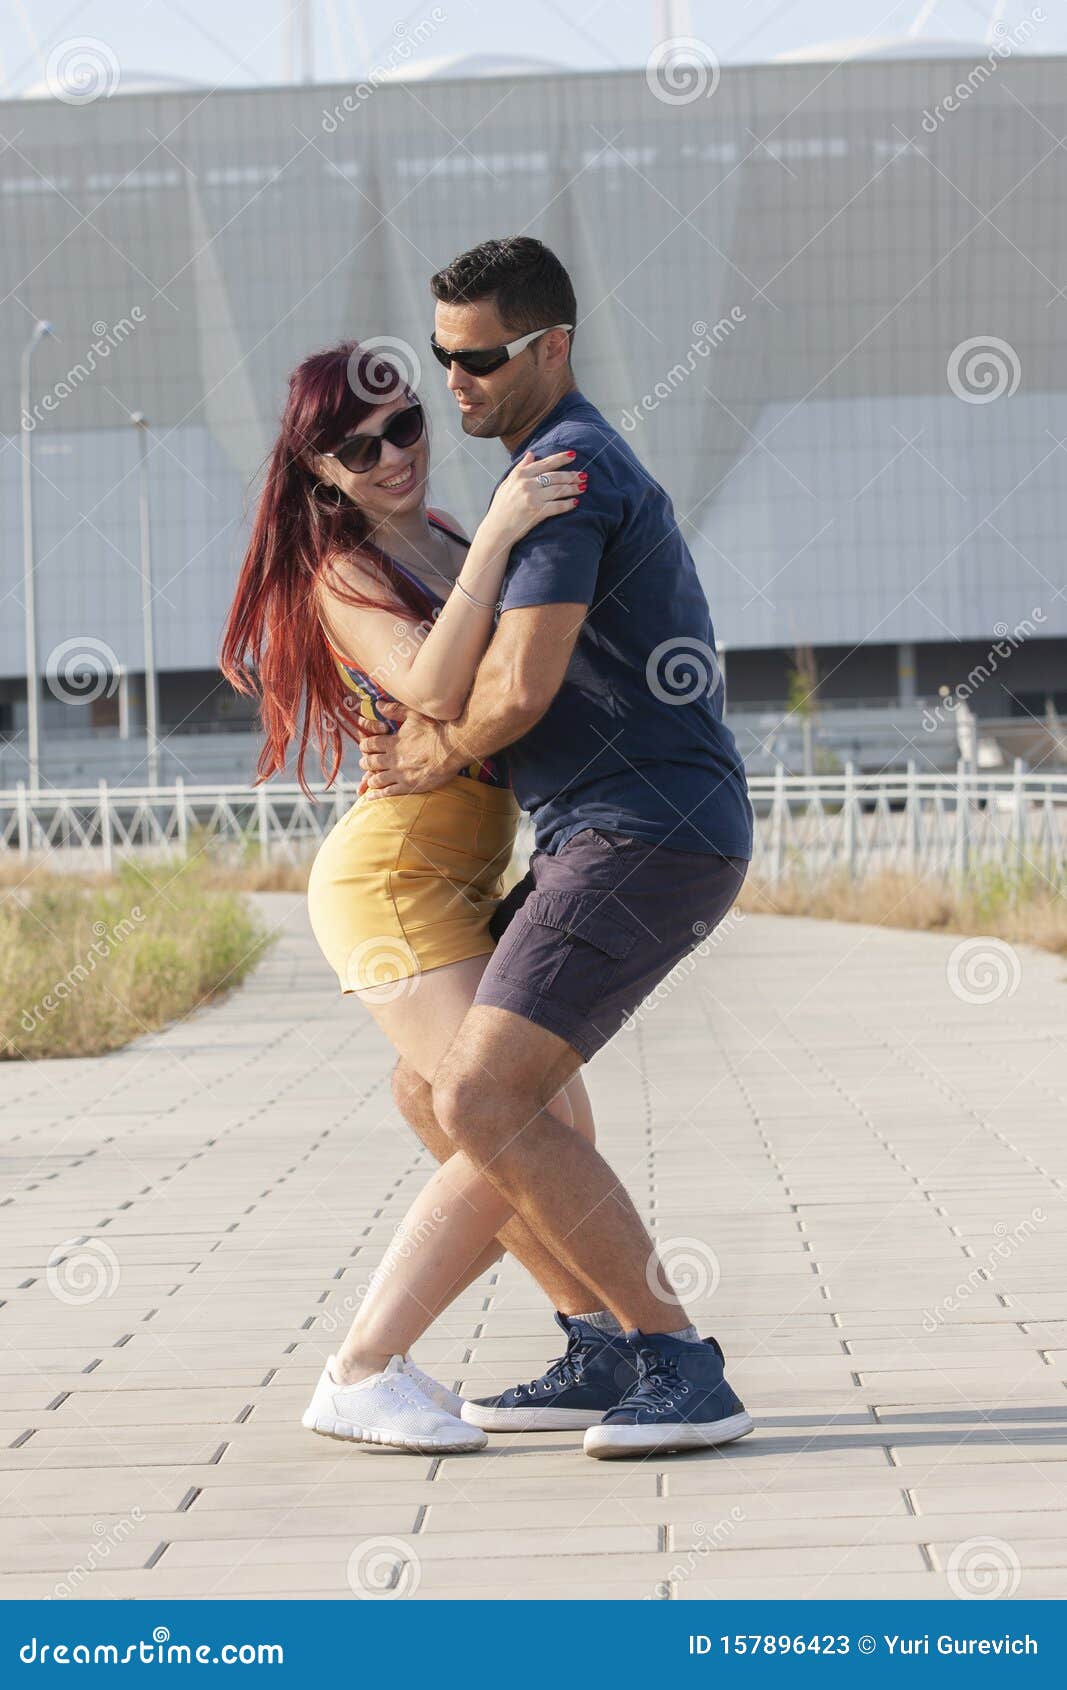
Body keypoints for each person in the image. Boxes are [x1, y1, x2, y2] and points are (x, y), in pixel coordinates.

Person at [356, 235, 757, 1458]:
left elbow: (520, 685)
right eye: (442, 358)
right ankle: (594, 1340)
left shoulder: (569, 466)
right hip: (605, 826)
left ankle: (680, 1364)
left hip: (648, 827)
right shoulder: (532, 474)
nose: (455, 383)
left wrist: (432, 755)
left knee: (484, 1091)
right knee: (431, 1086)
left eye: (477, 359)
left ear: (552, 346)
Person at [222, 341, 617, 1454]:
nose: (394, 454)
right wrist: (499, 528)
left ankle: (595, 1342)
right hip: (390, 884)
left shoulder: (440, 538)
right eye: (360, 445)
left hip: (464, 873)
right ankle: (359, 1368)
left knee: (483, 1118)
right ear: (320, 470)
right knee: (525, 1119)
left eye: (404, 427)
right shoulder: (344, 573)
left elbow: (519, 683)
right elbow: (440, 683)